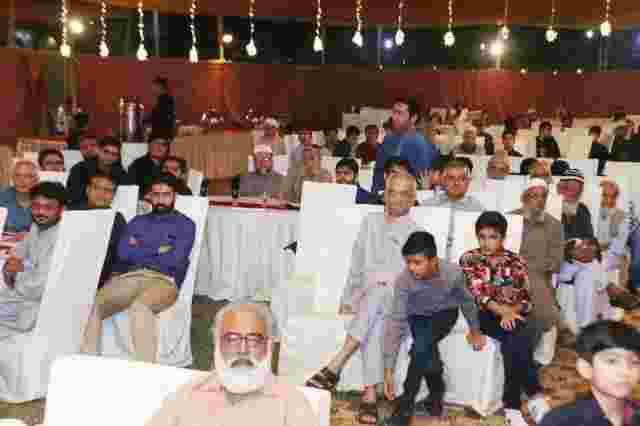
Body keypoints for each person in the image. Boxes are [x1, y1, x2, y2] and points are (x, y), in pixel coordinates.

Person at [305, 174, 422, 425]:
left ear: (412, 198)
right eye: (392, 192)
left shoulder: (417, 232)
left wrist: (384, 283)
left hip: (397, 303)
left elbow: (414, 278)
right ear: (384, 195)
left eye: (404, 193)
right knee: (374, 316)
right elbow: (357, 263)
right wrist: (348, 297)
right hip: (367, 298)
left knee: (378, 299)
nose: (397, 198)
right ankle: (368, 395)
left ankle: (336, 366)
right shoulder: (370, 222)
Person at [81, 174, 196, 363]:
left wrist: (140, 246)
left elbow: (174, 260)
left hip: (164, 281)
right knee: (91, 305)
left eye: (166, 195)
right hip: (131, 276)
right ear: (149, 196)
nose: (160, 200)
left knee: (140, 308)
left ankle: (145, 370)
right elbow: (123, 253)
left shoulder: (186, 225)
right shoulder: (137, 221)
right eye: (156, 194)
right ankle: (87, 362)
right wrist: (158, 249)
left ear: (174, 196)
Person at [145, 302, 316, 426]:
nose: (243, 350)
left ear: (269, 346)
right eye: (232, 339)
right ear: (217, 344)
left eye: (253, 340)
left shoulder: (291, 405)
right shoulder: (188, 395)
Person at [383, 231, 485, 425]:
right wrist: (388, 368)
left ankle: (405, 409)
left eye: (417, 262)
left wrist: (475, 329)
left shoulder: (453, 273)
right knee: (423, 348)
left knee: (420, 347)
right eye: (408, 262)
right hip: (417, 317)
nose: (411, 268)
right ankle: (436, 393)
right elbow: (396, 321)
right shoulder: (404, 280)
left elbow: (467, 302)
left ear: (433, 259)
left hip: (444, 314)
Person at [460, 211, 550, 426]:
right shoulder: (470, 258)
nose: (486, 242)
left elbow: (526, 298)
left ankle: (513, 406)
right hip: (484, 314)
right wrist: (503, 311)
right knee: (518, 334)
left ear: (503, 238)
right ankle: (533, 396)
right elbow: (478, 294)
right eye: (482, 237)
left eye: (493, 237)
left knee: (514, 340)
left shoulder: (516, 260)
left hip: (513, 315)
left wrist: (511, 311)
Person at [539, 320, 640, 426]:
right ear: (586, 368)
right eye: (612, 361)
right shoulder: (560, 421)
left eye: (634, 362)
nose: (626, 371)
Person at [0, 182, 65, 337]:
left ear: (61, 209)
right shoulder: (38, 225)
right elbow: (20, 250)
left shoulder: (62, 237)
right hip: (19, 293)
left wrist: (15, 274)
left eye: (48, 207)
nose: (41, 212)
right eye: (36, 206)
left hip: (35, 306)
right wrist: (11, 264)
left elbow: (38, 287)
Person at [509, 179, 564, 343]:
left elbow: (556, 262)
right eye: (534, 196)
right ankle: (558, 321)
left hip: (539, 277)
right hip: (508, 274)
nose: (539, 201)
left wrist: (533, 265)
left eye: (543, 197)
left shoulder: (554, 225)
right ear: (524, 198)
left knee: (531, 276)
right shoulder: (510, 219)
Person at [67, 173, 127, 287]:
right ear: (88, 190)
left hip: (103, 278)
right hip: (70, 272)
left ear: (113, 195)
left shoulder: (117, 219)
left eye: (107, 190)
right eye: (96, 188)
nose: (101, 194)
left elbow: (121, 252)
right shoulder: (72, 213)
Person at [421, 158, 485, 260]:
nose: (456, 183)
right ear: (443, 180)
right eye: (451, 178)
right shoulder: (427, 206)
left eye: (462, 179)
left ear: (468, 182)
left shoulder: (478, 210)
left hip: (467, 261)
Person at [372, 98, 438, 193]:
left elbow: (424, 182)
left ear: (413, 118)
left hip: (409, 197)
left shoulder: (423, 145)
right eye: (394, 113)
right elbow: (378, 173)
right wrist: (376, 196)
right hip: (383, 196)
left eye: (400, 113)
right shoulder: (387, 140)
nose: (394, 117)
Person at [558, 237, 613, 330]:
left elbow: (602, 284)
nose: (583, 249)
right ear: (570, 252)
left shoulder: (592, 265)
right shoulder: (567, 266)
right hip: (569, 301)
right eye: (578, 247)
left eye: (584, 246)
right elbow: (564, 277)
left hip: (589, 307)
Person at [66, 136, 130, 206]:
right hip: (82, 207)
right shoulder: (80, 169)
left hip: (112, 207)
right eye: (106, 152)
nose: (109, 156)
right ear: (98, 150)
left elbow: (124, 196)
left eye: (114, 154)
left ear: (117, 157)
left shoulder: (121, 173)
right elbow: (73, 194)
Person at [0, 160, 38, 233]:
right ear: (12, 178)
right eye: (17, 176)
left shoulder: (45, 199)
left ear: (36, 180)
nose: (21, 180)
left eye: (28, 176)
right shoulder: (2, 196)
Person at [558, 168, 594, 240]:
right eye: (568, 186)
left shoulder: (583, 209)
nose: (572, 191)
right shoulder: (551, 208)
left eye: (576, 187)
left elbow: (589, 237)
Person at [145, 76, 176, 141]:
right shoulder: (165, 99)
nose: (152, 89)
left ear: (159, 86)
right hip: (163, 135)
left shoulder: (165, 100)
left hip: (161, 135)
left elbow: (158, 117)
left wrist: (143, 121)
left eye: (154, 86)